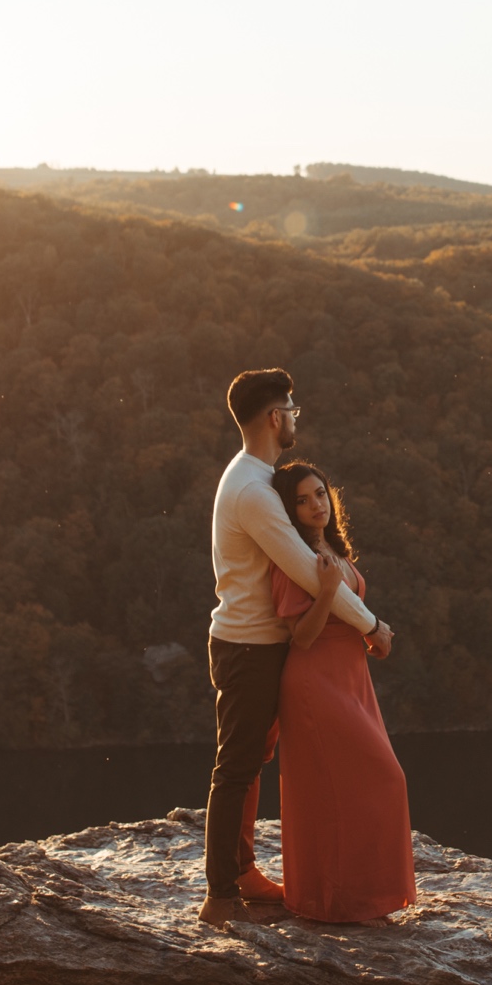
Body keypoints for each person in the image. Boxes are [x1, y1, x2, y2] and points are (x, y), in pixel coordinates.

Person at [200, 369, 395, 927]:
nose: (294, 419)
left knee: (251, 763)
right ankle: (219, 896)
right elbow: (312, 576)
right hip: (248, 648)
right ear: (273, 418)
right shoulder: (253, 492)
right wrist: (371, 625)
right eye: (292, 410)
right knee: (235, 768)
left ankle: (240, 873)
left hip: (258, 646)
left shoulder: (252, 479)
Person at [268, 459, 416, 922]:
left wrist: (370, 635)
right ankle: (334, 901)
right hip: (316, 683)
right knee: (374, 780)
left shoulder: (331, 549)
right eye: (303, 499)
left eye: (320, 494)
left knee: (350, 790)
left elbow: (349, 617)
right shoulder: (293, 558)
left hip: (351, 678)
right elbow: (302, 636)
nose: (317, 505)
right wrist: (329, 590)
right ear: (288, 510)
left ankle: (358, 898)